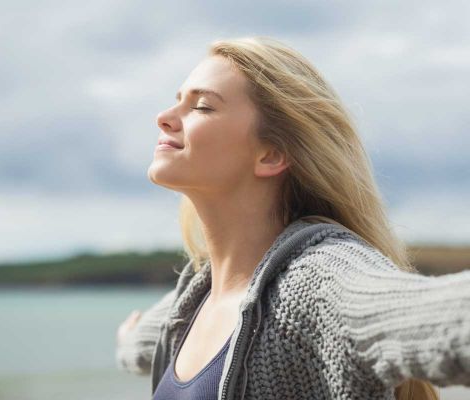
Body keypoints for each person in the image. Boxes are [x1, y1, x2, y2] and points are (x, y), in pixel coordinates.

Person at [115, 36, 470, 399]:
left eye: (202, 106)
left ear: (271, 155)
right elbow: (145, 338)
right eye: (178, 101)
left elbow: (423, 315)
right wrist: (128, 342)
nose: (163, 118)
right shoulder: (192, 298)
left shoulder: (317, 280)